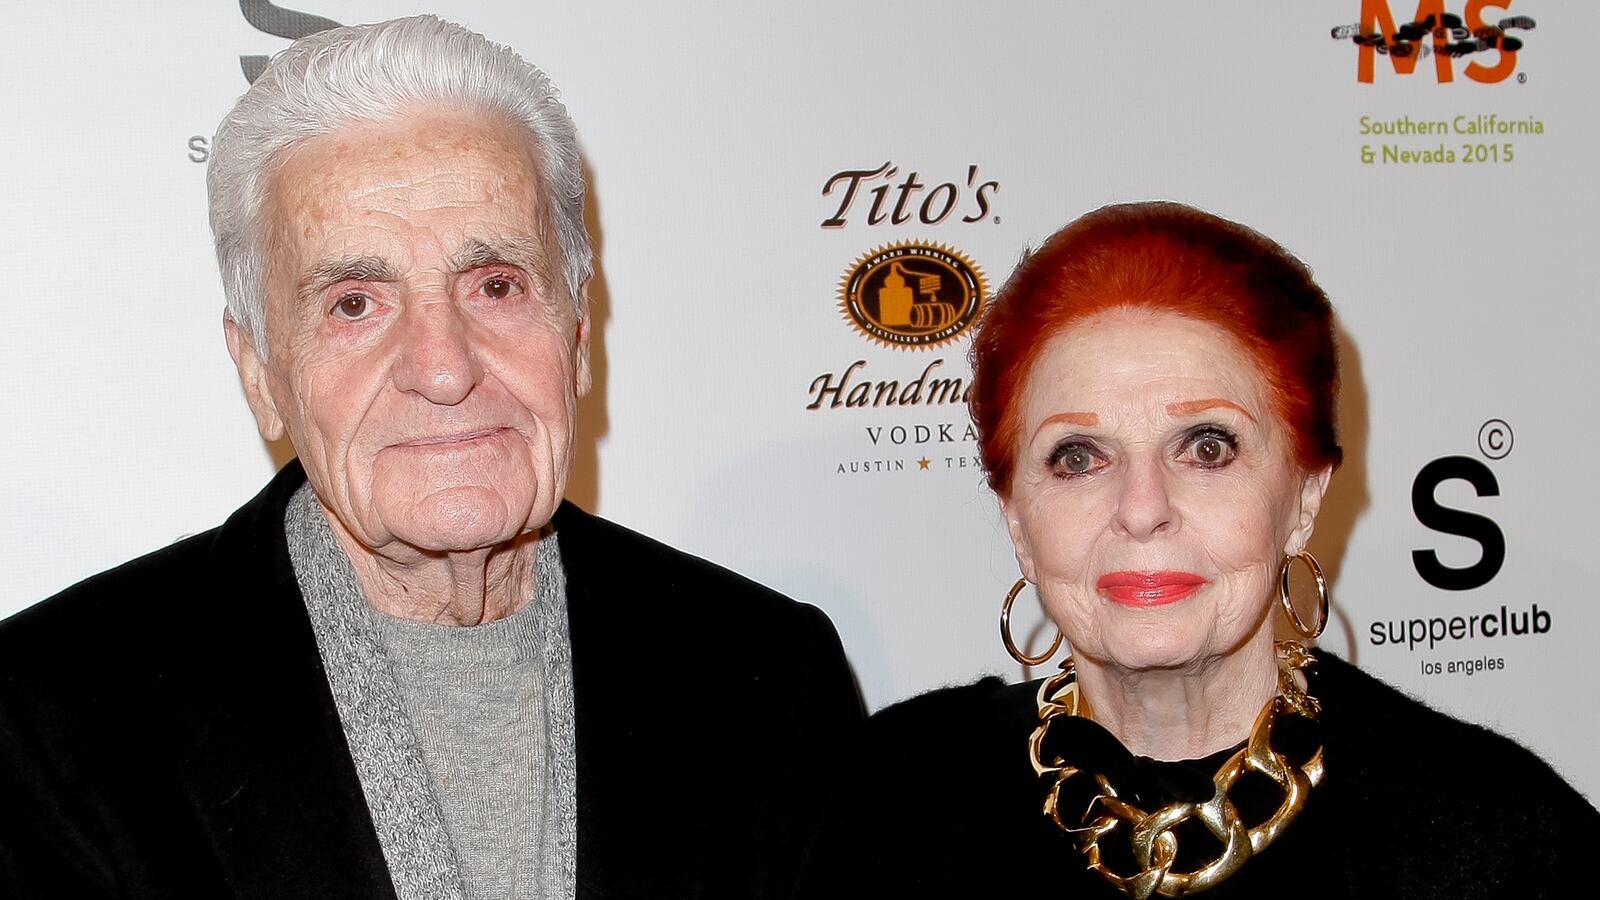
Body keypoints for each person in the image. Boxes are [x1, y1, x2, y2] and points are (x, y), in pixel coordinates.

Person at [0, 16, 861, 899]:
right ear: (260, 372)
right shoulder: (51, 717)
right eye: (354, 304)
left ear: (576, 333)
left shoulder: (769, 677)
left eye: (496, 285)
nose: (444, 368)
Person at [802, 202, 1597, 899]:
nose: (1142, 510)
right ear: (1016, 518)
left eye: (1207, 447)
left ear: (1304, 498)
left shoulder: (1494, 838)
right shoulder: (894, 799)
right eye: (1078, 457)